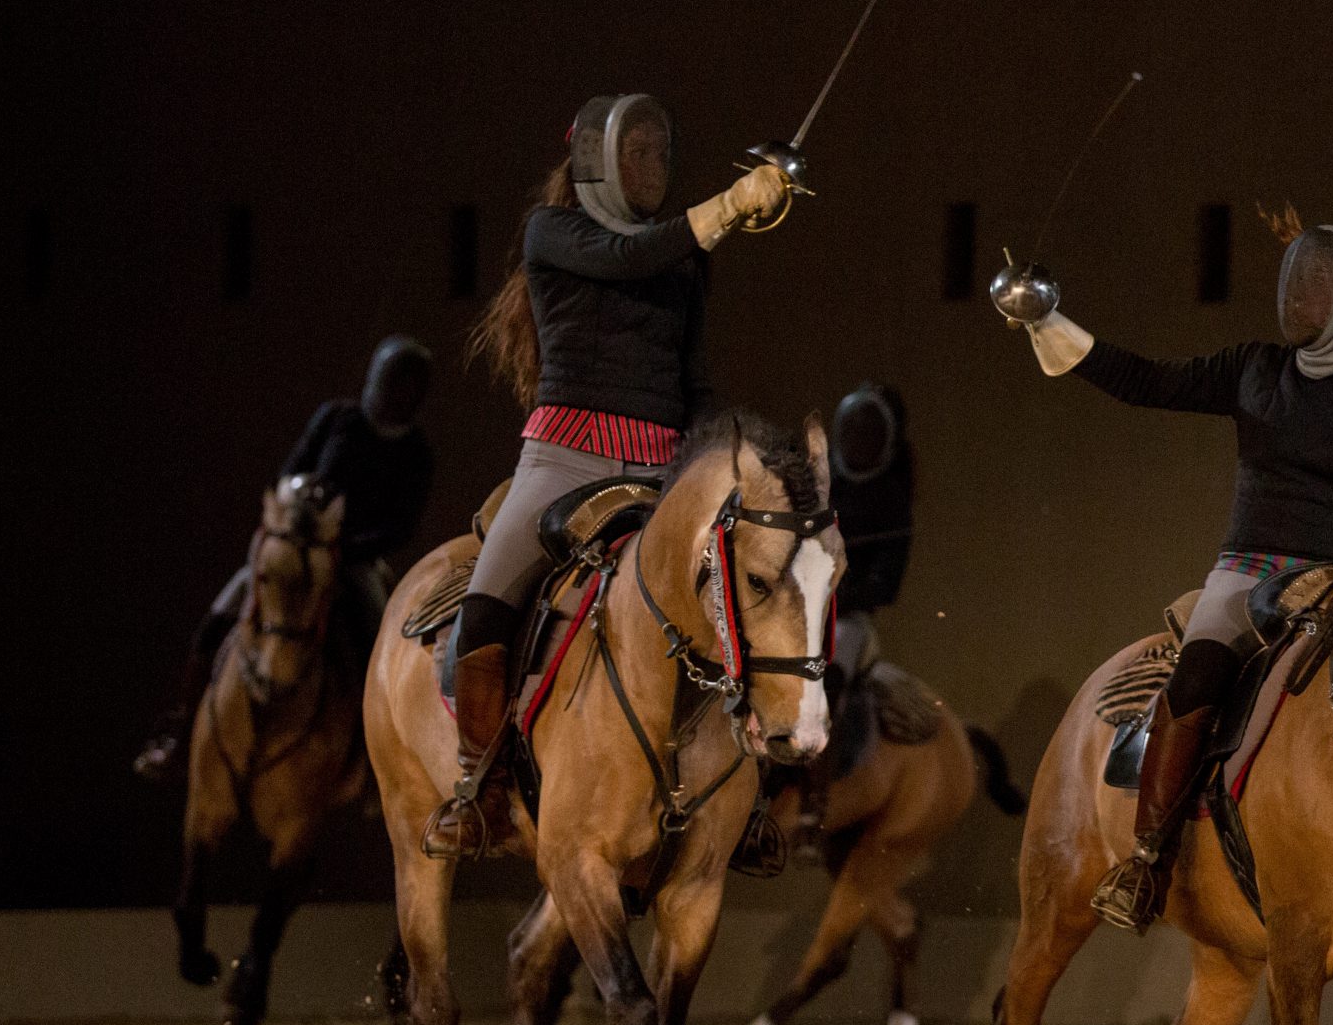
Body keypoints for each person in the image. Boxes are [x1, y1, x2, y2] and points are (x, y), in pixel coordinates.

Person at [1002, 211, 1333, 932]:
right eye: (1302, 283)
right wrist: (1049, 322)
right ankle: (1146, 860)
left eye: (1319, 286)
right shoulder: (1255, 369)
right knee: (1199, 674)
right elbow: (1145, 380)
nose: (1301, 301)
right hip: (1247, 575)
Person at [423, 92, 791, 859]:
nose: (652, 168)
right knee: (488, 603)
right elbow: (626, 258)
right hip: (564, 458)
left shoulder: (682, 259)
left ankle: (745, 800)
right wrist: (723, 208)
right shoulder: (554, 232)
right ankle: (479, 789)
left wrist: (721, 454)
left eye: (661, 153)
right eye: (638, 153)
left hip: (661, 468)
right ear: (597, 162)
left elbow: (693, 377)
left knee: (747, 601)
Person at [133, 334, 435, 780]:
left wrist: (345, 547)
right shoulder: (338, 419)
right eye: (393, 382)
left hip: (353, 561)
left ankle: (378, 759)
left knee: (379, 638)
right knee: (222, 613)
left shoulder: (416, 454)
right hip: (298, 546)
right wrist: (301, 503)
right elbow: (290, 470)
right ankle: (178, 729)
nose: (396, 394)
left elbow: (401, 527)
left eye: (407, 386)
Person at [761, 381, 917, 856]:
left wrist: (836, 592)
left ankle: (814, 801)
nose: (857, 442)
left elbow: (885, 586)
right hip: (799, 611)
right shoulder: (821, 485)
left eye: (868, 434)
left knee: (822, 679)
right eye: (851, 432)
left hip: (847, 620)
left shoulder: (892, 501)